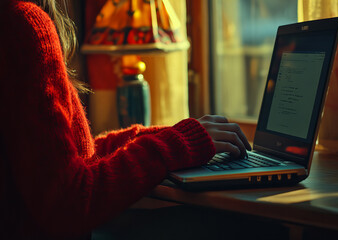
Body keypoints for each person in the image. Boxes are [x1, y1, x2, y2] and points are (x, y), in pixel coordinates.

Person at [0, 0, 251, 239]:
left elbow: (71, 158)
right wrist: (177, 143)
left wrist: (172, 135)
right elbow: (68, 201)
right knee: (244, 226)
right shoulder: (22, 23)